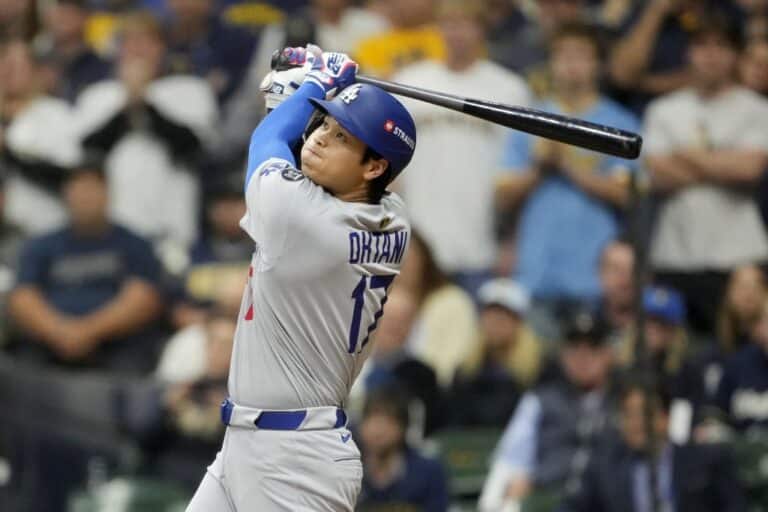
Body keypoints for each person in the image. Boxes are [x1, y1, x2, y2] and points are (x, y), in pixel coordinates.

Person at [185, 45, 417, 511]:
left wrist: (314, 84)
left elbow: (267, 144)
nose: (320, 139)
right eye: (324, 124)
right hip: (254, 445)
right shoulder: (392, 216)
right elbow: (299, 155)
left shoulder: (306, 222)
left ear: (375, 167)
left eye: (342, 137)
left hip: (295, 461)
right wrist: (306, 94)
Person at [496, 23, 639, 341]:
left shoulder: (618, 122)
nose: (572, 65)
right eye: (563, 56)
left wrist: (566, 164)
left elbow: (627, 193)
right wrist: (539, 167)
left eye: (581, 56)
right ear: (551, 64)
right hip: (535, 275)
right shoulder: (530, 119)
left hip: (594, 278)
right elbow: (502, 195)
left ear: (597, 65)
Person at [393, 0, 530, 298]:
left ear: (482, 29)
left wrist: (513, 240)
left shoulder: (510, 89)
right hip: (416, 249)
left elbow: (519, 173)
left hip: (480, 247)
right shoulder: (409, 84)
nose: (457, 33)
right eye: (450, 23)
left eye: (466, 24)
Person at [645, 15, 768, 337]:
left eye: (721, 46)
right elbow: (657, 173)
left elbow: (750, 169)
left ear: (736, 55)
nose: (711, 55)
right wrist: (721, 162)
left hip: (739, 254)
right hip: (675, 254)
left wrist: (685, 154)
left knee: (737, 348)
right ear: (688, 52)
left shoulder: (756, 109)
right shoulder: (664, 110)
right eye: (701, 45)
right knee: (676, 357)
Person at [76, 11, 218, 260]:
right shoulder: (96, 96)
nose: (137, 50)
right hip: (110, 232)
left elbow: (190, 149)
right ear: (117, 50)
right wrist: (128, 105)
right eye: (129, 42)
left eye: (146, 41)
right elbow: (90, 154)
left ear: (162, 48)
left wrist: (144, 103)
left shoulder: (190, 90)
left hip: (172, 232)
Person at [7, 164, 165, 374]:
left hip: (117, 346)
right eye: (79, 190)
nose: (85, 198)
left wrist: (87, 332)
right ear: (66, 195)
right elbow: (23, 298)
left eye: (92, 190)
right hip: (47, 345)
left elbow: (143, 299)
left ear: (108, 194)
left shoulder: (134, 244)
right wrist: (59, 332)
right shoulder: (41, 245)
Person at [478, 309, 617, 512]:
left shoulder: (626, 402)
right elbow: (510, 463)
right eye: (574, 347)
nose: (582, 356)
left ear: (608, 353)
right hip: (549, 501)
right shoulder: (540, 400)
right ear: (562, 354)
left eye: (593, 346)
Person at [560, 380, 747, 512]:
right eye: (628, 414)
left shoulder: (707, 462)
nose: (636, 423)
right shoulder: (604, 470)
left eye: (646, 413)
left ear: (666, 417)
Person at [449, 278, 543, 427]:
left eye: (504, 315)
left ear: (518, 322)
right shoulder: (465, 372)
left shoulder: (538, 371)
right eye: (490, 314)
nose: (496, 322)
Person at [395, 230, 478, 388]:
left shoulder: (453, 303)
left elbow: (452, 364)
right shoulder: (369, 304)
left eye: (407, 259)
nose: (400, 267)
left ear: (424, 261)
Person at [356, 386, 450, 512]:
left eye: (387, 421)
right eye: (371, 420)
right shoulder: (346, 472)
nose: (377, 431)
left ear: (403, 427)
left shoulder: (429, 473)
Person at [36, 0, 112, 103]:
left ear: (84, 18)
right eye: (60, 11)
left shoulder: (101, 66)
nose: (62, 18)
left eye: (70, 12)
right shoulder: (39, 62)